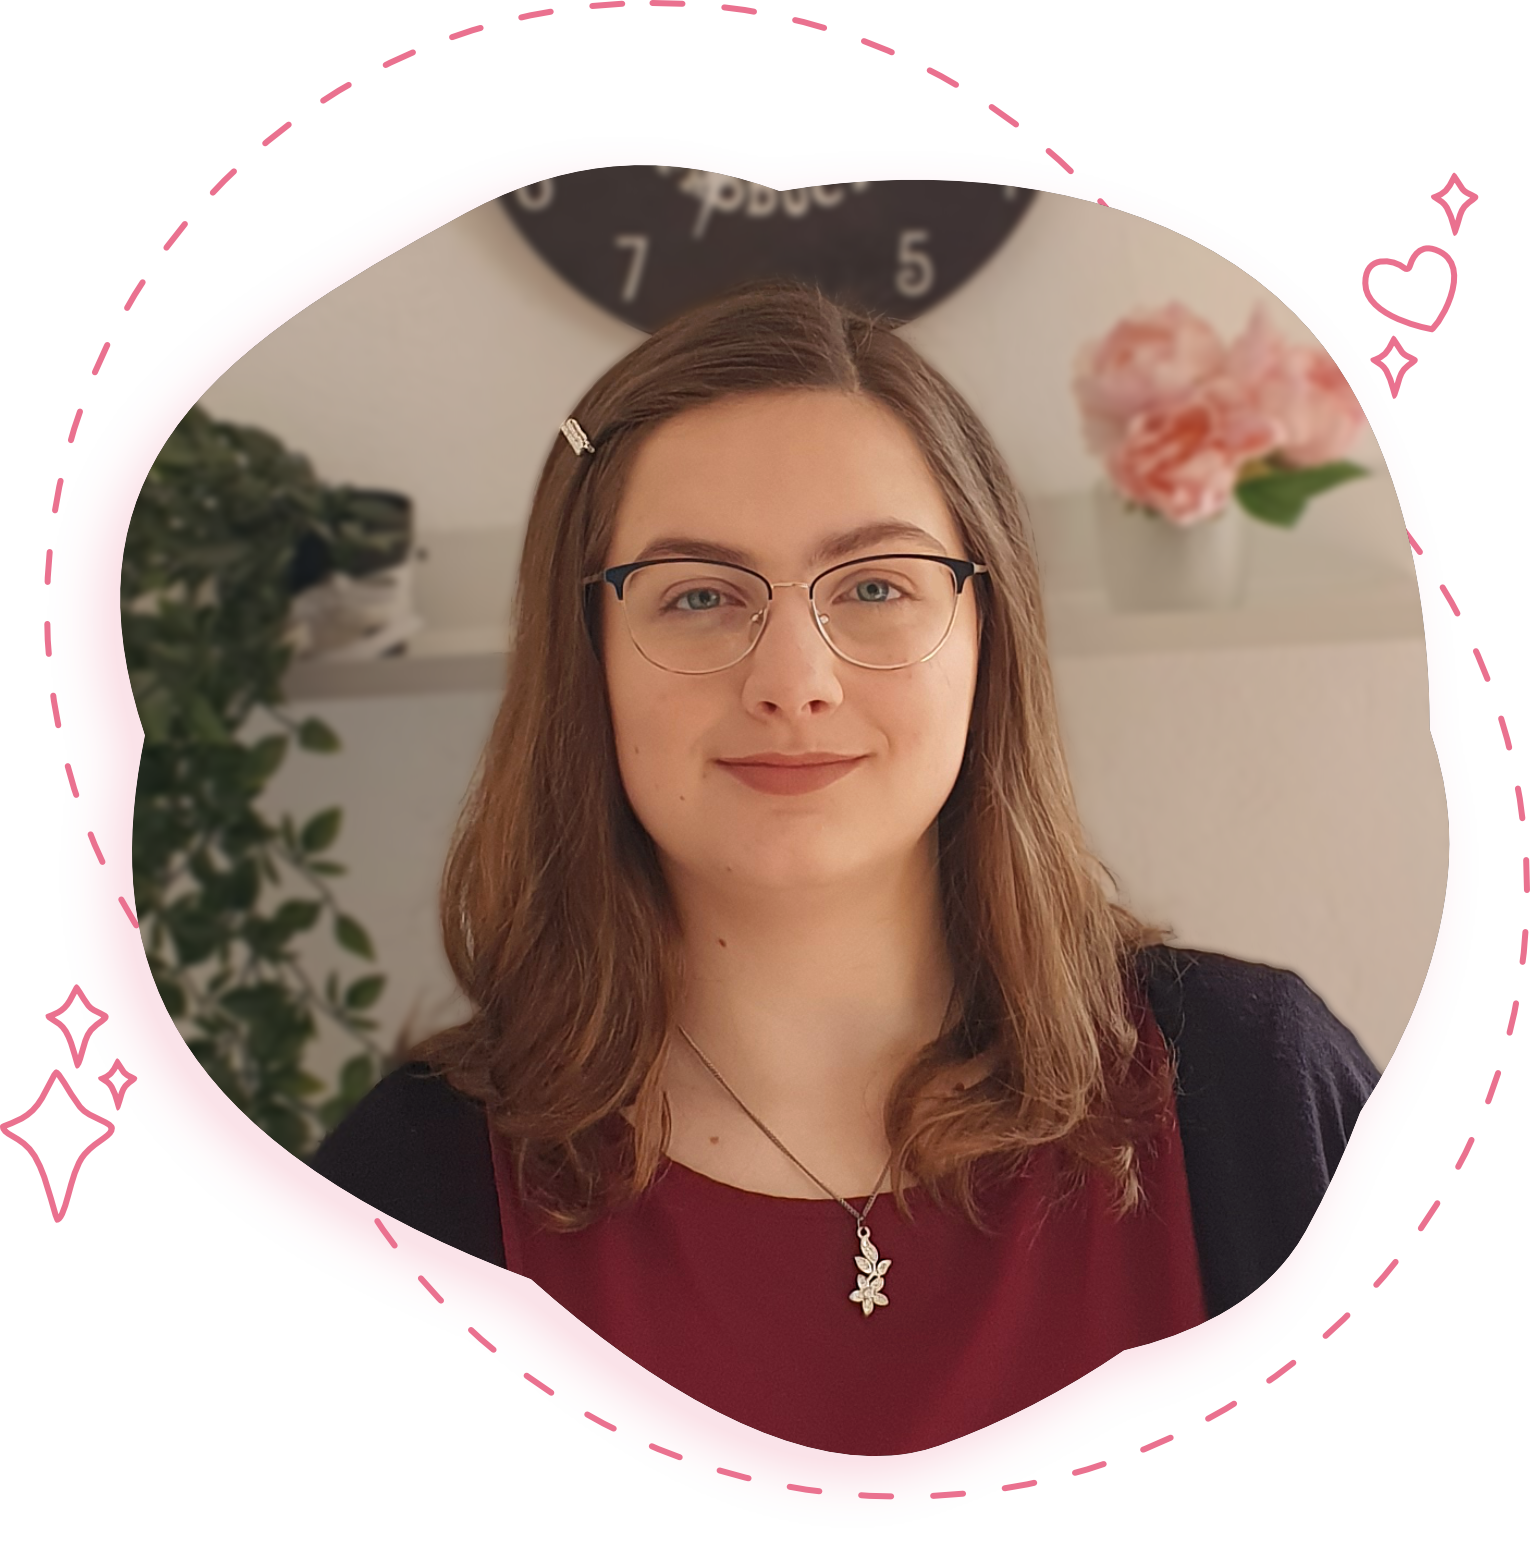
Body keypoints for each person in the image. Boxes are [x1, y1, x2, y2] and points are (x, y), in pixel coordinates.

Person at [312, 278, 1379, 1456]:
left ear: (989, 635)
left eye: (875, 586)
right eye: (700, 596)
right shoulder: (408, 1191)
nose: (793, 679)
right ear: (588, 662)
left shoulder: (1259, 1095)